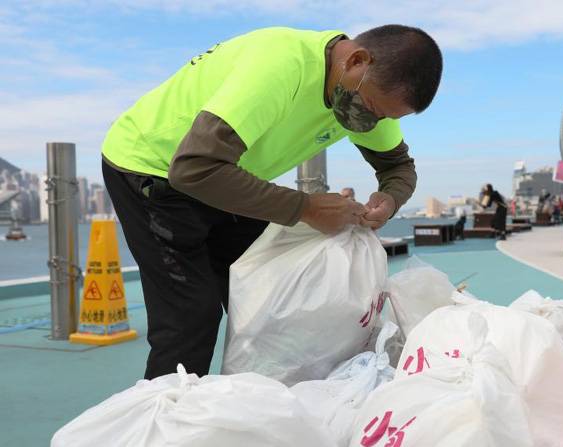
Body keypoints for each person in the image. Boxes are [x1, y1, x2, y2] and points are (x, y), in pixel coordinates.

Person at [101, 25, 443, 379]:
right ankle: (166, 424)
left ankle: (267, 402)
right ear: (356, 60)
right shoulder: (281, 67)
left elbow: (398, 166)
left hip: (223, 172)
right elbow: (194, 168)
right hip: (153, 168)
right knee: (190, 315)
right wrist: (306, 209)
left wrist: (389, 199)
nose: (372, 123)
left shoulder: (362, 90)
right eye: (372, 108)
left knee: (275, 290)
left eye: (385, 118)